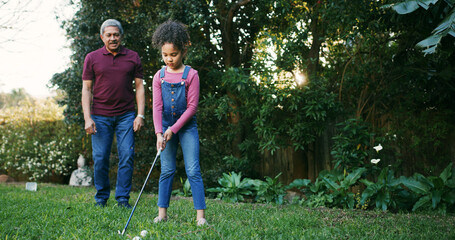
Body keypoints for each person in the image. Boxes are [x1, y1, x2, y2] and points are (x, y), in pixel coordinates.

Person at [82, 19, 145, 208]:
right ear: (102, 37)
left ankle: (122, 199)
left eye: (116, 34)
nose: (113, 38)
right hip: (100, 115)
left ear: (121, 36)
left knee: (127, 155)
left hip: (126, 115)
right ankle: (101, 197)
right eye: (108, 35)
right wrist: (87, 117)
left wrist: (140, 115)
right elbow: (86, 89)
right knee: (100, 157)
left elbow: (140, 87)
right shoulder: (92, 58)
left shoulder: (133, 57)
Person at [151, 20, 207, 226]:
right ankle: (162, 214)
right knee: (166, 170)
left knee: (193, 169)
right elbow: (157, 107)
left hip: (186, 127)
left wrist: (173, 130)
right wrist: (159, 133)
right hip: (164, 128)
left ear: (183, 51)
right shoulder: (159, 76)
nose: (169, 59)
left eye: (173, 54)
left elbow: (192, 107)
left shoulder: (191, 75)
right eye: (165, 55)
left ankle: (200, 217)